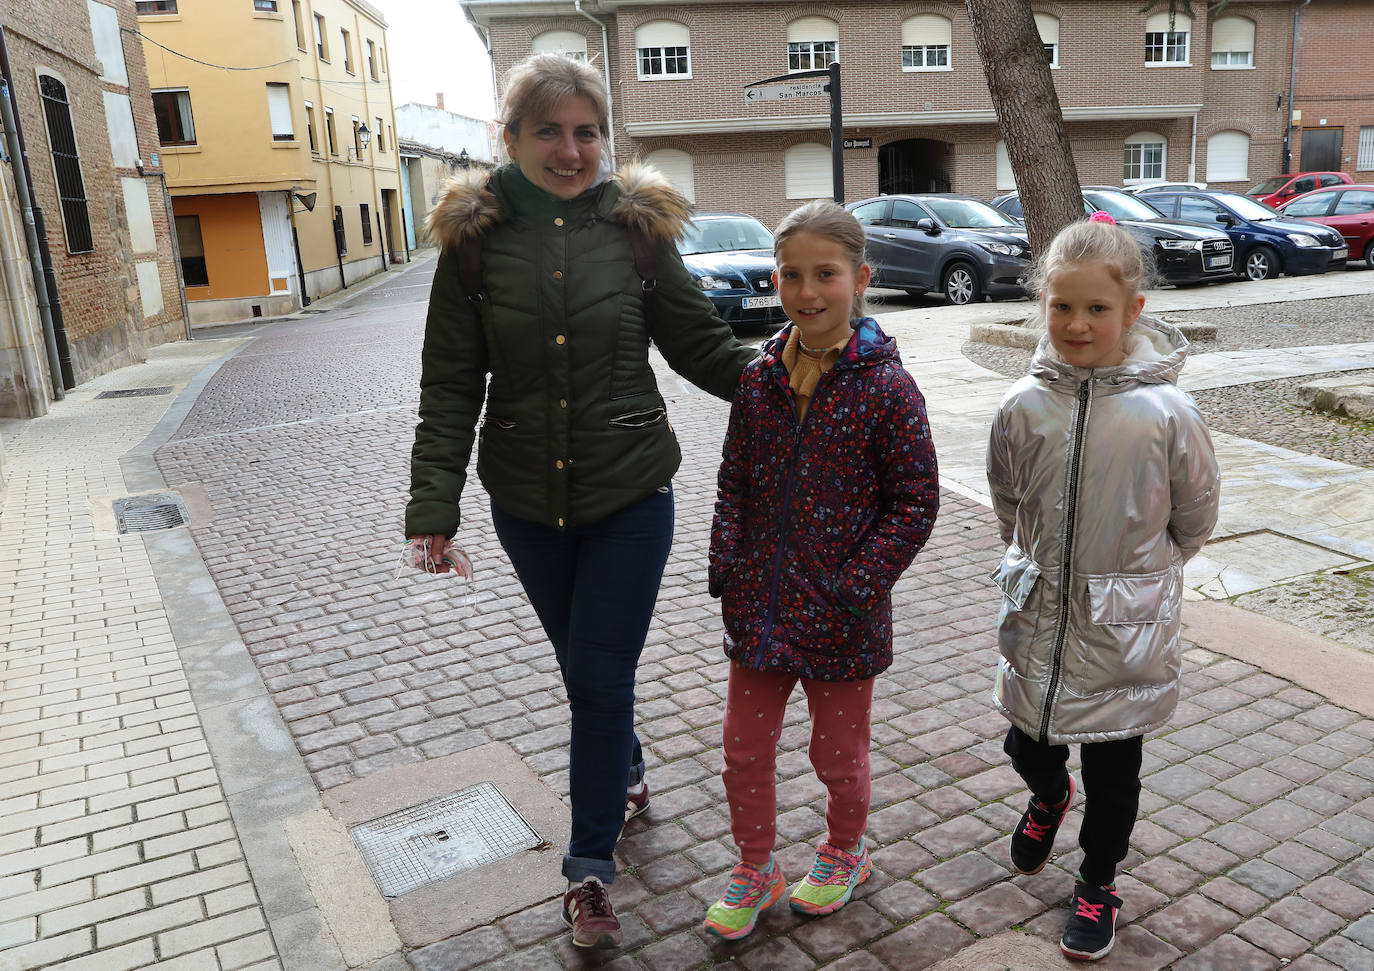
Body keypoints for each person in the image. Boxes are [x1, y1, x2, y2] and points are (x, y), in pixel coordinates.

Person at [405, 53, 757, 950]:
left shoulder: (638, 229)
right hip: (525, 501)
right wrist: (432, 505)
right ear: (511, 137)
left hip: (631, 490)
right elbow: (451, 382)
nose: (571, 150)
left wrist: (796, 378)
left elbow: (701, 347)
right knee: (588, 674)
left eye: (587, 131)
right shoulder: (474, 241)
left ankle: (589, 868)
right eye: (550, 131)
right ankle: (627, 766)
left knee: (598, 679)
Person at [985, 212, 1221, 962]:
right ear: (1041, 304)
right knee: (1027, 738)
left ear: (1133, 312)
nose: (1077, 324)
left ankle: (1097, 877)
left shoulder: (1166, 413)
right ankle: (1047, 794)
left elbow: (1195, 515)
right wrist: (1036, 557)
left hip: (1124, 628)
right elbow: (1007, 499)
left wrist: (1139, 574)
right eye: (1062, 306)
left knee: (1114, 773)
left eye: (1096, 309)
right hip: (1041, 612)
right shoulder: (1023, 404)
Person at [702, 200, 939, 940]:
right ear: (777, 279)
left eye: (826, 275)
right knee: (742, 748)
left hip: (841, 614)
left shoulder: (888, 390)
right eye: (794, 275)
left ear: (859, 278)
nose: (808, 292)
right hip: (762, 607)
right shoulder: (759, 380)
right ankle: (755, 863)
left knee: (837, 752)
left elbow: (915, 502)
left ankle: (844, 850)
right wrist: (728, 561)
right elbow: (733, 479)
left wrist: (856, 584)